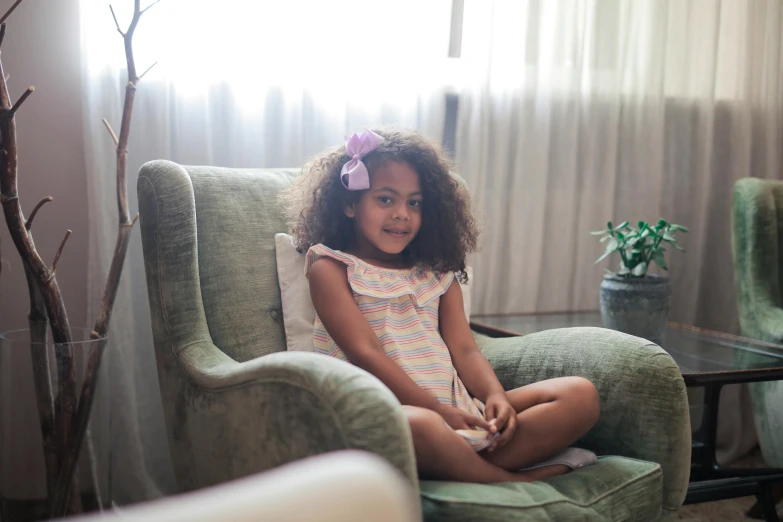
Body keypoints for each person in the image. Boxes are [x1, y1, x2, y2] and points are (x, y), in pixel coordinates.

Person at [281, 129, 600, 483]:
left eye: (414, 203)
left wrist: (495, 396)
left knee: (580, 394)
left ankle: (467, 465)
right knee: (423, 425)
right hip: (393, 415)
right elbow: (365, 353)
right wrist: (435, 410)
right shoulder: (330, 266)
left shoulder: (437, 275)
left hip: (458, 410)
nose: (402, 214)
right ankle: (512, 480)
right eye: (386, 200)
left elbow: (465, 350)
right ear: (350, 204)